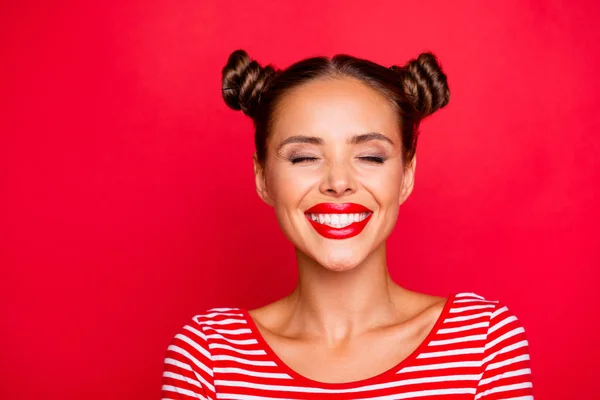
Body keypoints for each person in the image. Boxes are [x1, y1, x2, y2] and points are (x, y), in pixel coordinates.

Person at [160, 49, 533, 399]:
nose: (339, 182)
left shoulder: (481, 343)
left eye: (370, 156)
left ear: (406, 175)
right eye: (304, 157)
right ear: (262, 177)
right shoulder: (210, 357)